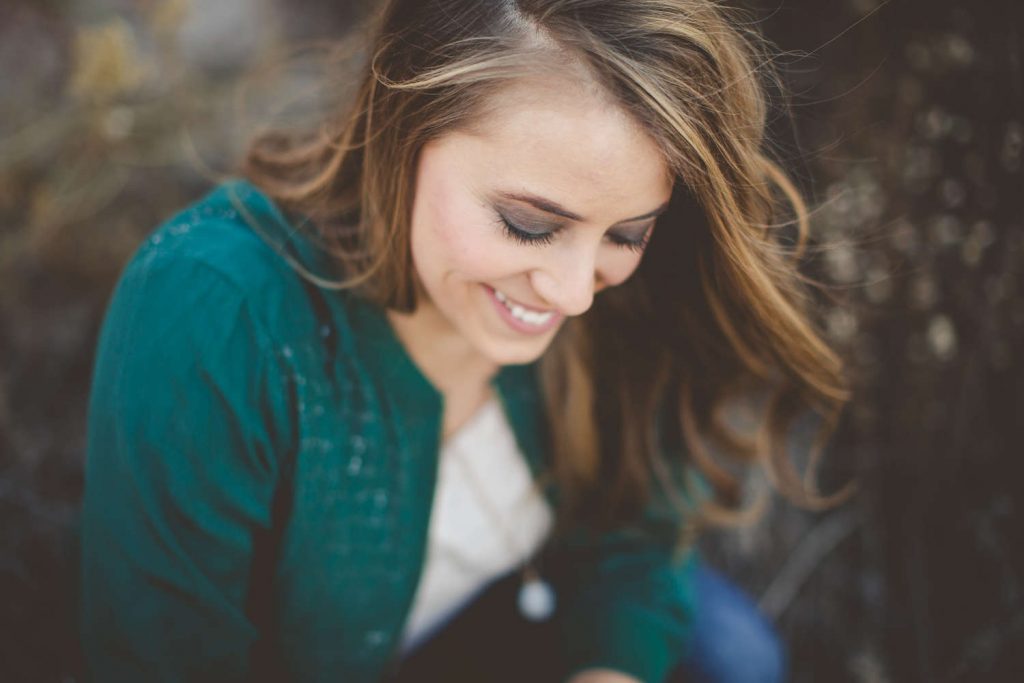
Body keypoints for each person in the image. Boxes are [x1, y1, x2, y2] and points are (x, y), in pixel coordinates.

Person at [78, 1, 847, 681]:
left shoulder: (628, 291)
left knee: (732, 656)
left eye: (627, 233)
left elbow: (628, 535)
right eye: (529, 225)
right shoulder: (218, 311)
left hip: (503, 619)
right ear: (403, 128)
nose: (575, 293)